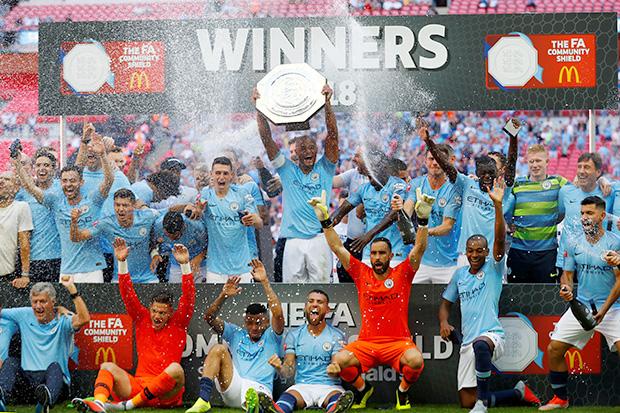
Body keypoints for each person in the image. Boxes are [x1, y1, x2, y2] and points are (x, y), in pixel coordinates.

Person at [309, 188, 434, 409]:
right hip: (367, 343)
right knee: (339, 361)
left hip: (398, 343)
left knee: (416, 361)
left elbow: (420, 248)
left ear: (390, 255)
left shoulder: (402, 273)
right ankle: (363, 389)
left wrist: (422, 221)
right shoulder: (361, 272)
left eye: (381, 253)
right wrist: (326, 221)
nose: (376, 257)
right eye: (374, 253)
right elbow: (337, 247)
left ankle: (402, 392)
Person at [438, 177, 540, 412]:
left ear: (486, 251)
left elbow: (500, 240)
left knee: (481, 346)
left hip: (491, 337)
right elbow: (445, 303)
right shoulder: (460, 274)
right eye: (471, 251)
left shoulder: (494, 268)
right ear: (466, 251)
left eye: (479, 251)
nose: (475, 255)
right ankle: (517, 393)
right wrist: (444, 320)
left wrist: (497, 205)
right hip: (468, 342)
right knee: (466, 402)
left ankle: (483, 403)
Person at [72, 238, 195, 413]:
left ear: (169, 313)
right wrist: (121, 262)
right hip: (138, 387)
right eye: (154, 311)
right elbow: (127, 294)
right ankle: (99, 403)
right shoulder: (142, 317)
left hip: (166, 395)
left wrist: (184, 266)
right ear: (150, 309)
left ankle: (128, 406)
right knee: (107, 366)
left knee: (176, 369)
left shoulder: (179, 322)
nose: (157, 316)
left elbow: (189, 297)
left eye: (162, 313)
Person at [539, 196, 620, 411]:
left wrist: (603, 311)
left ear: (602, 216)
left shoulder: (614, 242)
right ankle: (560, 399)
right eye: (582, 213)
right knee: (554, 349)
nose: (584, 218)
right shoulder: (573, 242)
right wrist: (566, 290)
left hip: (612, 309)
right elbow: (567, 274)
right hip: (582, 308)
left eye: (590, 213)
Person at [254, 84, 339, 283]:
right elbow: (267, 140)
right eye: (303, 148)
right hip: (292, 240)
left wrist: (328, 104)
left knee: (322, 288)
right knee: (293, 290)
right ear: (296, 153)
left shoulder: (325, 168)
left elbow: (333, 136)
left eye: (312, 147)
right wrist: (259, 108)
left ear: (317, 150)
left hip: (320, 238)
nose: (308, 151)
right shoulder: (286, 169)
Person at [185, 259, 284, 413]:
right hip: (234, 386)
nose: (254, 327)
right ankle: (203, 400)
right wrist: (223, 296)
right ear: (245, 321)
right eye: (250, 323)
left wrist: (264, 281)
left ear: (266, 322)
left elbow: (277, 313)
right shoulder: (236, 333)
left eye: (258, 323)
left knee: (258, 396)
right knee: (218, 348)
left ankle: (258, 405)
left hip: (261, 388)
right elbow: (209, 318)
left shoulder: (273, 335)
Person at [13, 135, 114, 283]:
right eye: (65, 181)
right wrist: (17, 164)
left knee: (93, 306)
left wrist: (103, 155)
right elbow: (30, 187)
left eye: (73, 181)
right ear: (60, 183)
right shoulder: (55, 202)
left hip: (92, 268)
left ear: (81, 182)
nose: (68, 184)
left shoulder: (94, 200)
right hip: (66, 270)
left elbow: (109, 180)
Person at [421, 122, 516, 267]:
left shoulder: (501, 189)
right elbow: (446, 166)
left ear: (498, 171)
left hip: (492, 255)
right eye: (484, 171)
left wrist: (513, 137)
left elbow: (512, 164)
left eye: (491, 170)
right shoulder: (467, 184)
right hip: (466, 256)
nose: (487, 174)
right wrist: (428, 141)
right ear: (477, 171)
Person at [0, 278, 91, 413]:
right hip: (28, 382)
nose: (38, 306)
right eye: (35, 302)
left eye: (43, 301)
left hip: (56, 383)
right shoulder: (24, 314)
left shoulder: (63, 319)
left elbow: (84, 319)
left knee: (55, 367)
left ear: (53, 302)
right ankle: (1, 398)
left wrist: (73, 291)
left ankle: (46, 401)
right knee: (11, 362)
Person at [256, 289, 354, 413]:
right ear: (305, 307)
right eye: (311, 301)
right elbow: (288, 372)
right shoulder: (294, 335)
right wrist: (280, 368)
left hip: (330, 386)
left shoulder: (336, 335)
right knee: (287, 397)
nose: (314, 304)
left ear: (327, 309)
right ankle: (277, 410)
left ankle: (335, 409)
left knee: (336, 398)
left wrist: (335, 370)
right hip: (302, 386)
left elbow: (336, 367)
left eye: (320, 302)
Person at [506, 144, 568, 283]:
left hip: (546, 253)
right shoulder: (517, 184)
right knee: (517, 298)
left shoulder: (557, 182)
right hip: (518, 251)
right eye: (531, 161)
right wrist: (508, 224)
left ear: (547, 162)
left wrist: (602, 180)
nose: (534, 165)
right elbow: (502, 204)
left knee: (544, 298)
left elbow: (579, 189)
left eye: (538, 160)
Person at [331, 159, 410, 267]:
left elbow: (394, 214)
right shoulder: (364, 189)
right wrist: (326, 222)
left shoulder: (398, 185)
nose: (370, 171)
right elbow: (341, 211)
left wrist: (369, 235)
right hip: (370, 254)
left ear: (384, 169)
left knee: (392, 284)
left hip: (395, 254)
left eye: (374, 168)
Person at [70, 189, 160, 283]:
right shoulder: (107, 223)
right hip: (120, 278)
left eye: (125, 205)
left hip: (148, 278)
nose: (120, 209)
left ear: (133, 206)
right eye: (117, 205)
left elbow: (169, 217)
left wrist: (155, 252)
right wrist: (74, 222)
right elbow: (76, 238)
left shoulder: (148, 216)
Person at [199, 156, 262, 282]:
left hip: (243, 267)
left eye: (225, 173)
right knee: (216, 302)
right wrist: (196, 210)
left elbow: (259, 223)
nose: (221, 177)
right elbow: (195, 209)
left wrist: (252, 219)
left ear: (231, 175)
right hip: (215, 269)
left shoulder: (242, 193)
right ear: (211, 174)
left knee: (245, 302)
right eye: (217, 173)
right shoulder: (206, 193)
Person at [410, 144, 461, 283]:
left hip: (448, 264)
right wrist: (400, 211)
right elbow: (406, 211)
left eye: (439, 159)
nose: (434, 163)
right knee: (413, 303)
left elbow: (447, 226)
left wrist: (422, 231)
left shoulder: (454, 189)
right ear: (425, 161)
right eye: (431, 158)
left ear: (449, 161)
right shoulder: (416, 185)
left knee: (448, 304)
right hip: (419, 262)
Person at [556, 153, 614, 272]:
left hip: (595, 262)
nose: (581, 171)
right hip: (567, 261)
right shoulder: (565, 192)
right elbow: (559, 216)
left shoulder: (608, 193)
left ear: (598, 172)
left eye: (587, 167)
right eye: (579, 167)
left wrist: (604, 180)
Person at [15, 148, 62, 282]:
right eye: (38, 165)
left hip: (57, 256)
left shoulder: (61, 188)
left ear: (54, 169)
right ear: (34, 168)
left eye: (46, 165)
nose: (42, 168)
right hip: (32, 258)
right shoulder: (23, 193)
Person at [331, 148, 369, 282]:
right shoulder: (353, 174)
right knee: (344, 276)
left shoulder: (382, 179)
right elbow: (331, 182)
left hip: (372, 245)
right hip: (352, 242)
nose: (353, 159)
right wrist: (330, 163)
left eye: (358, 156)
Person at [152, 211, 207, 283]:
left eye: (175, 236)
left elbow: (209, 244)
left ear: (183, 227)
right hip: (176, 264)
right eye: (167, 235)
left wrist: (199, 257)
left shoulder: (196, 227)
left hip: (198, 263)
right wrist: (154, 254)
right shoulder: (157, 226)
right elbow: (151, 243)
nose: (171, 239)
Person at [0, 170, 32, 288]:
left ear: (16, 187)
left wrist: (25, 275)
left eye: (7, 179)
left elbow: (24, 244)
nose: (1, 181)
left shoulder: (21, 207)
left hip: (8, 275)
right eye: (0, 178)